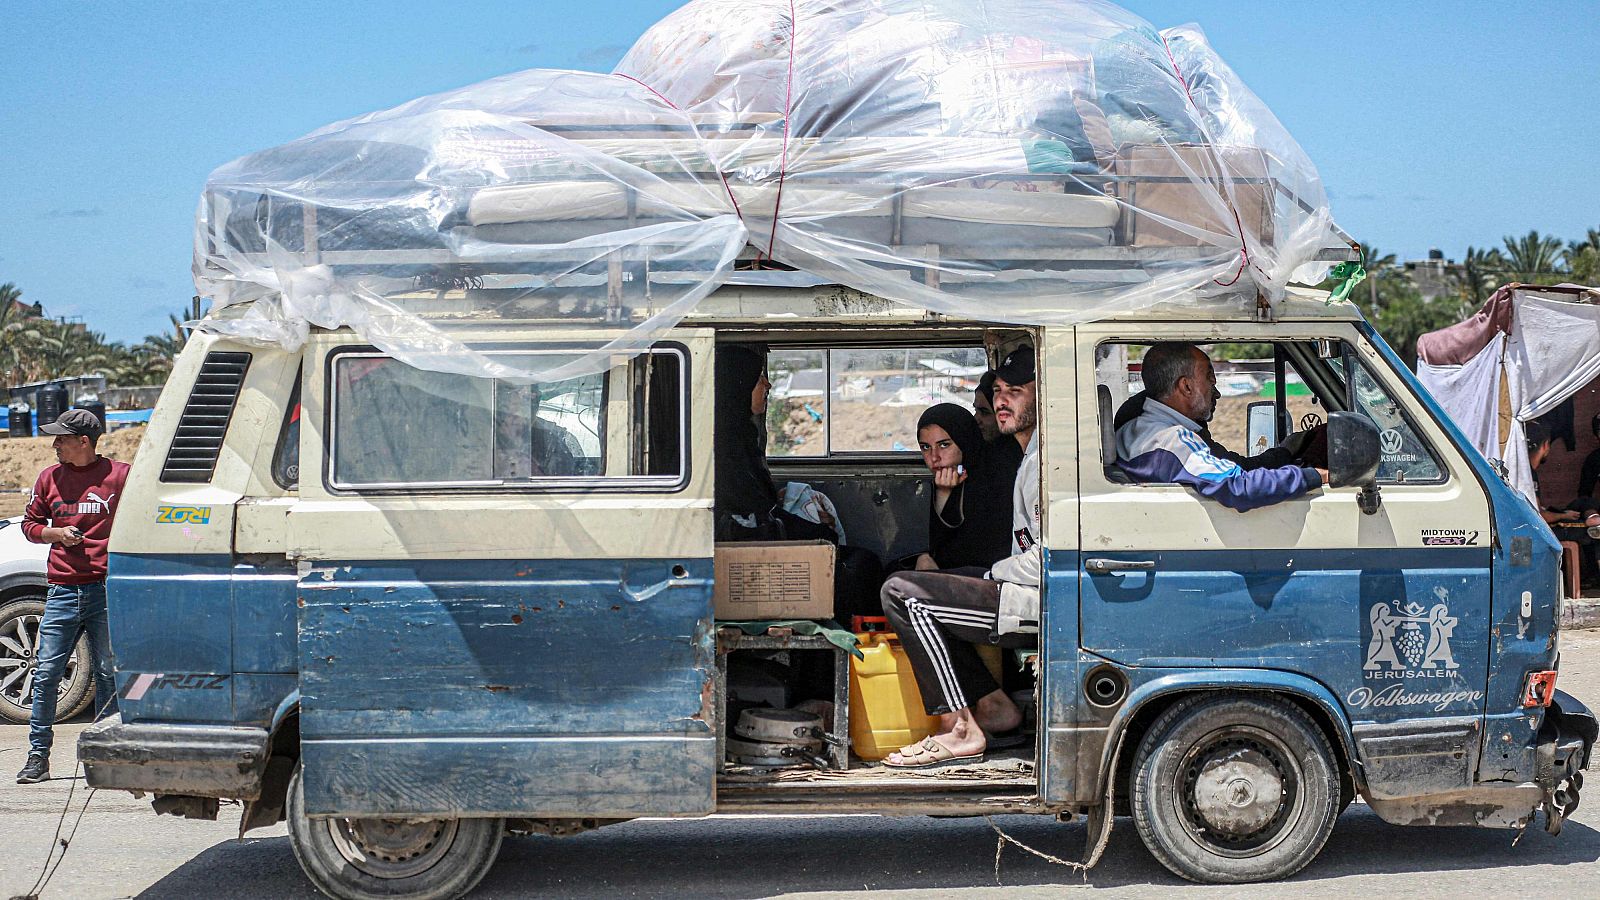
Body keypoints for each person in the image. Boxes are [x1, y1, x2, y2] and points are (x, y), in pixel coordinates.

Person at [877, 345, 1041, 768]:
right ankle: (992, 706)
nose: (1002, 401)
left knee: (903, 594)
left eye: (1016, 391)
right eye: (998, 391)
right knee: (920, 586)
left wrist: (989, 571)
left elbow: (1047, 559)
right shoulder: (1028, 458)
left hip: (1035, 596)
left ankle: (961, 727)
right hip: (1015, 583)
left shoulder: (1040, 466)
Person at [16, 409, 127, 785]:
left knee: (108, 673)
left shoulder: (121, 476)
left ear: (84, 441)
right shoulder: (49, 478)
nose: (54, 445)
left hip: (106, 589)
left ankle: (107, 756)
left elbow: (143, 519)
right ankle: (37, 758)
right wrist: (56, 535)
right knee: (46, 673)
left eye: (61, 438)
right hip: (62, 589)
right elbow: (30, 526)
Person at [1115, 343, 1326, 511]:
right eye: (1209, 378)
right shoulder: (1170, 440)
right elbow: (1240, 486)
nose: (1216, 392)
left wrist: (1284, 452)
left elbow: (1234, 466)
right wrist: (1318, 476)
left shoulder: (1138, 429)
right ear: (1186, 386)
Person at [909, 403, 1018, 572]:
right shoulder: (932, 487)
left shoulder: (998, 479)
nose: (934, 457)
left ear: (964, 440)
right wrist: (943, 495)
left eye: (944, 445)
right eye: (925, 447)